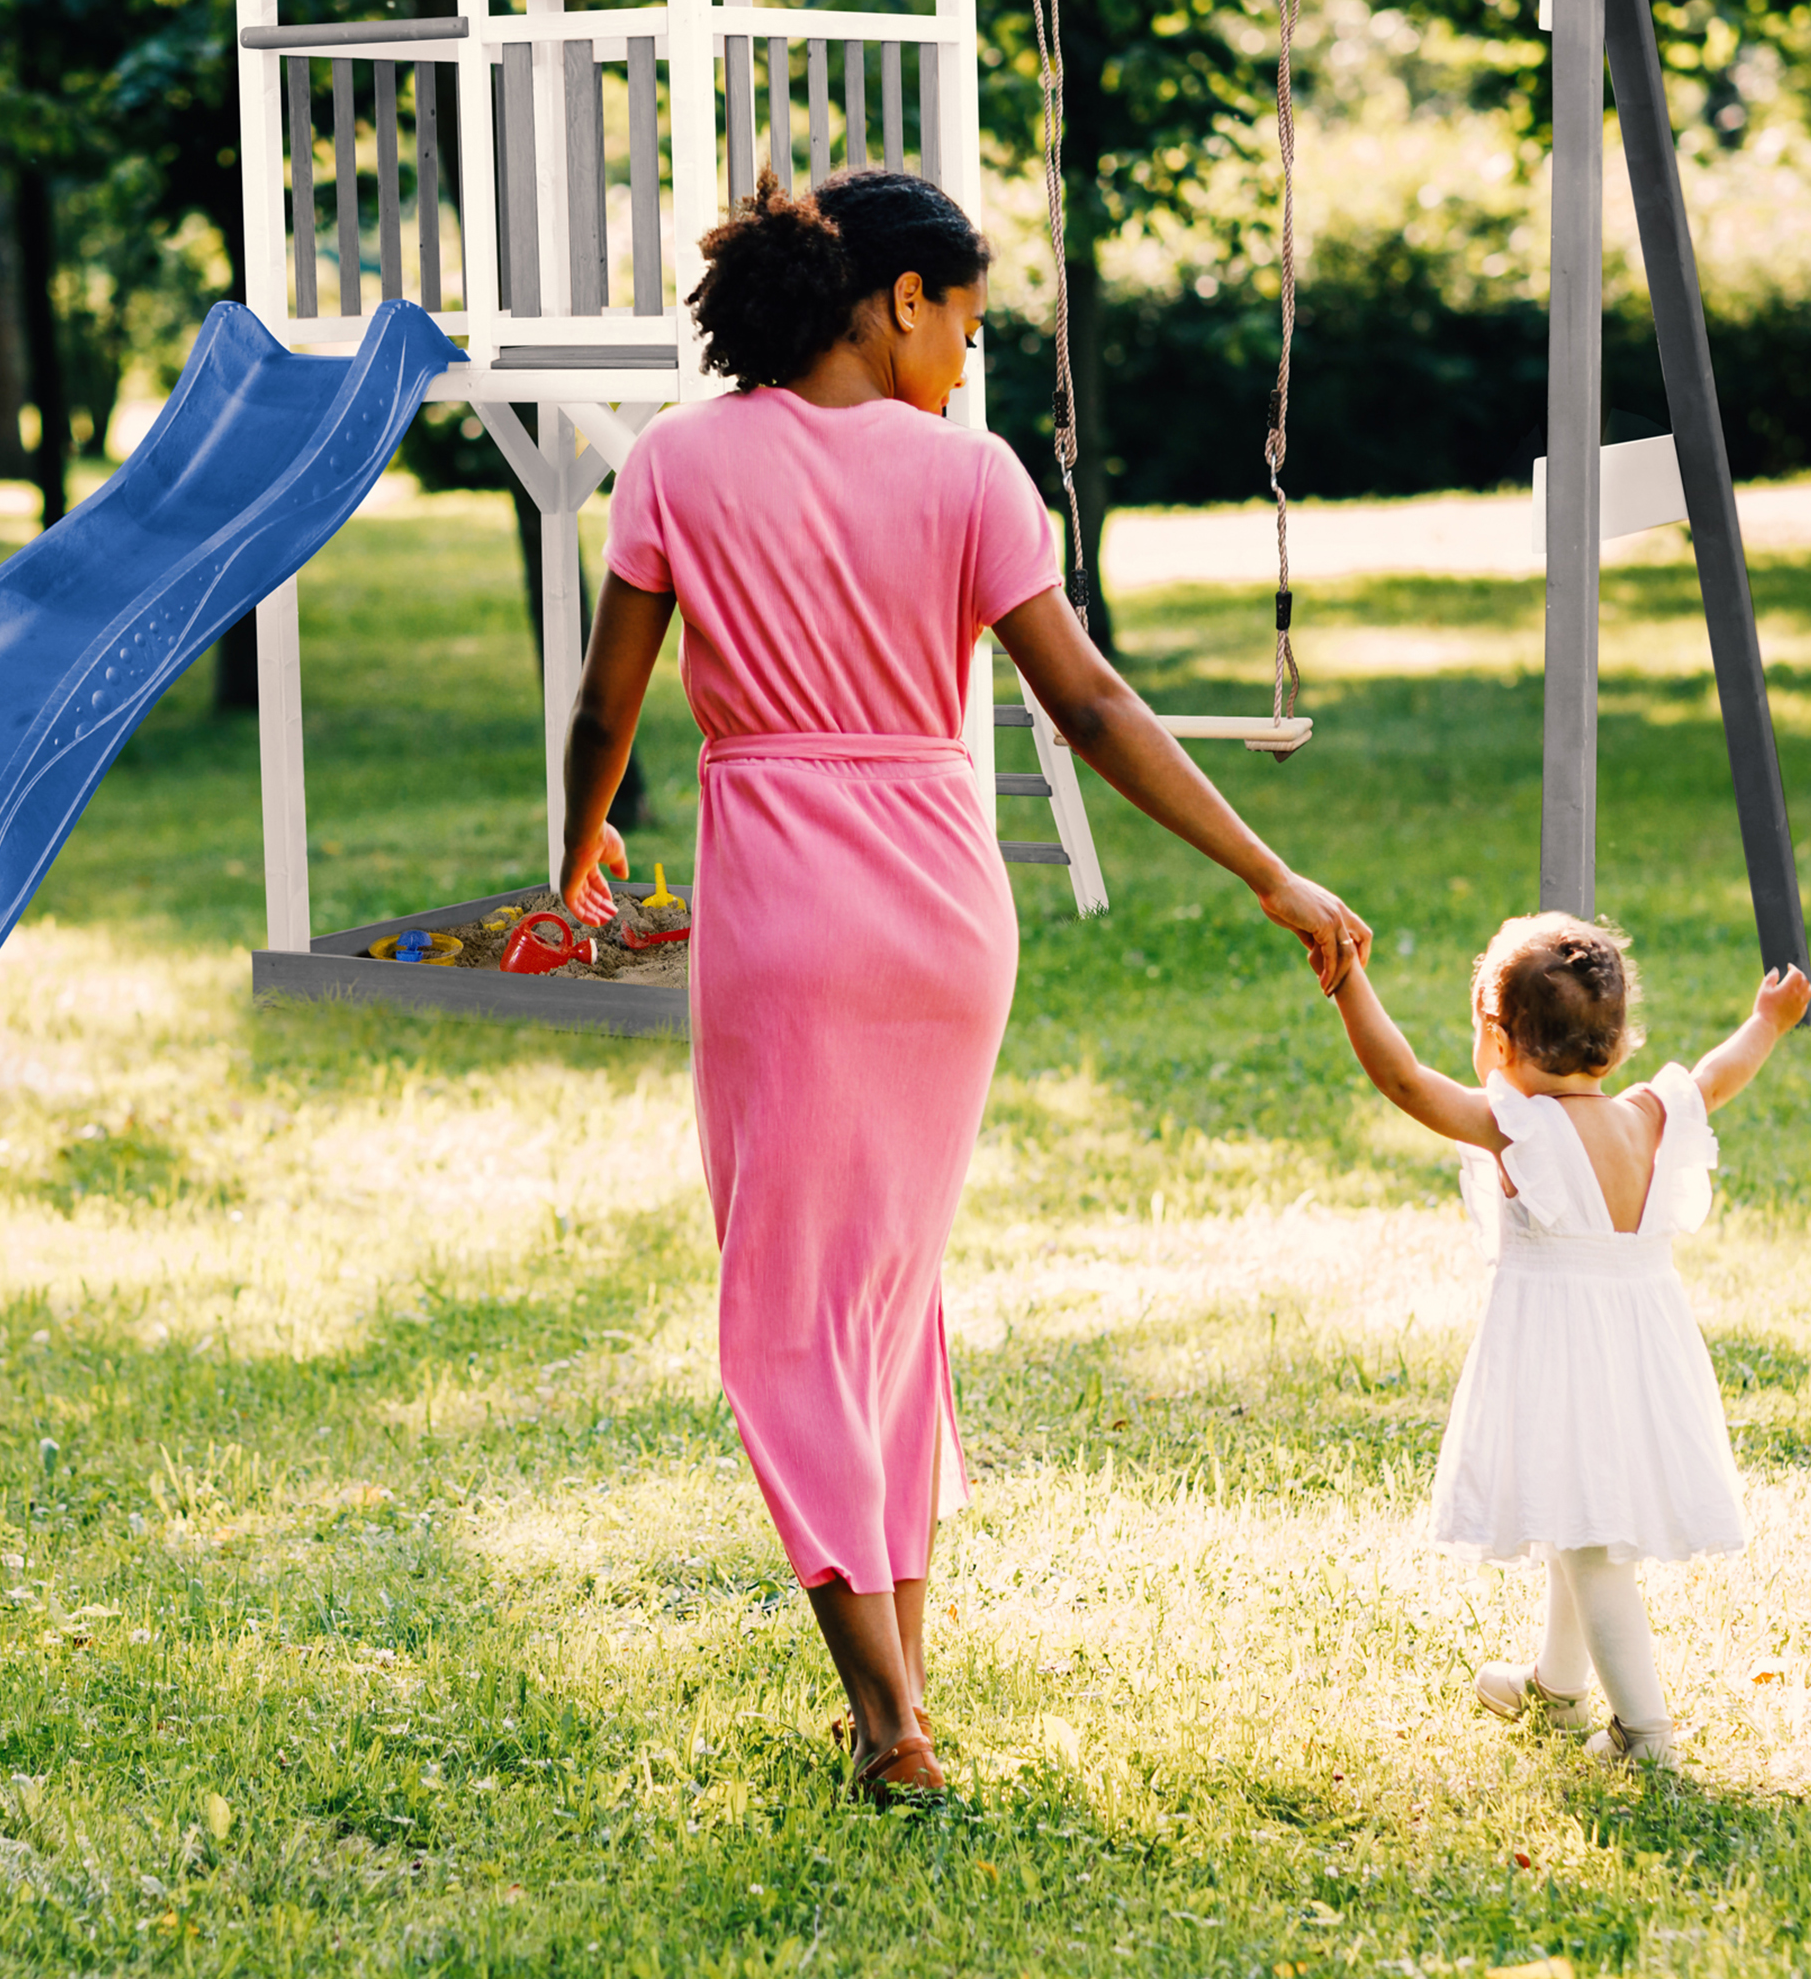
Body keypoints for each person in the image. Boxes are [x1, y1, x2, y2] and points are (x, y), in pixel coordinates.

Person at [556, 169, 1370, 1805]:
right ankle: (902, 1688)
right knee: (884, 1298)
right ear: (898, 299)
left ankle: (885, 1721)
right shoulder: (972, 478)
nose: (968, 362)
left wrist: (572, 855)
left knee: (791, 1312)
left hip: (784, 912)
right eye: (968, 325)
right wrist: (1265, 868)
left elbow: (607, 705)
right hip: (941, 915)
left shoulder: (677, 463)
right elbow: (1092, 706)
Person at [1324, 913, 1811, 1768]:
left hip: (1563, 1355)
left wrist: (1347, 979)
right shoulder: (1649, 1116)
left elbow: (1402, 1080)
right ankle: (1556, 1688)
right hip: (1642, 1351)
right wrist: (1765, 1022)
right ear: (1617, 1046)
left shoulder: (1521, 1130)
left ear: (1499, 1038)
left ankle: (1644, 1733)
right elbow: (1716, 1074)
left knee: (1589, 1544)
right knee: (1572, 1510)